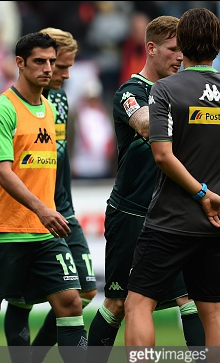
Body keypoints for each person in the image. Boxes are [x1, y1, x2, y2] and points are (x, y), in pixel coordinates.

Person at [0, 32, 87, 363]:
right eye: (40, 61)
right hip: (3, 232)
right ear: (20, 63)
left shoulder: (49, 110)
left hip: (43, 233)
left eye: (52, 62)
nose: (48, 68)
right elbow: (3, 171)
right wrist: (43, 208)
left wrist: (48, 212)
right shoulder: (2, 108)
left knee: (71, 302)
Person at [87, 15, 205, 361]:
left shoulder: (183, 90)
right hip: (132, 212)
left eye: (183, 50)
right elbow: (143, 125)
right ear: (151, 49)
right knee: (120, 303)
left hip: (173, 211)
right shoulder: (130, 92)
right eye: (172, 49)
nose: (179, 57)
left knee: (192, 297)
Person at [125, 6, 219, 352]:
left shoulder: (165, 90)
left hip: (171, 217)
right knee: (212, 311)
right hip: (215, 220)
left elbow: (162, 155)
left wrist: (201, 194)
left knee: (138, 304)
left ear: (185, 45)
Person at [2, 28, 97, 363]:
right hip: (33, 213)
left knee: (86, 291)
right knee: (21, 300)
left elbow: (60, 154)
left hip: (63, 207)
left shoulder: (59, 98)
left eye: (66, 66)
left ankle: (36, 355)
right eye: (61, 67)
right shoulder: (17, 104)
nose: (65, 74)